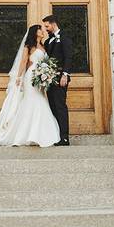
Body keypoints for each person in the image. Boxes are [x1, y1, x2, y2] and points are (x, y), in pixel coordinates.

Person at [0, 24, 60, 147]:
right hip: (30, 77)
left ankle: (39, 134)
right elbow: (23, 62)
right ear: (35, 32)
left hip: (41, 77)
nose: (43, 31)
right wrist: (19, 77)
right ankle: (25, 135)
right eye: (40, 29)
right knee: (32, 101)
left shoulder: (43, 46)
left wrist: (46, 74)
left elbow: (45, 62)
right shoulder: (29, 46)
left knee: (41, 101)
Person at [42, 14, 72, 146]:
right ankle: (55, 135)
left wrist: (65, 74)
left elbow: (68, 57)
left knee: (60, 106)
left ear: (53, 24)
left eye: (47, 26)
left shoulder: (65, 37)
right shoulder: (48, 42)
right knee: (52, 107)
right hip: (49, 79)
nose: (46, 29)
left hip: (61, 78)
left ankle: (64, 138)